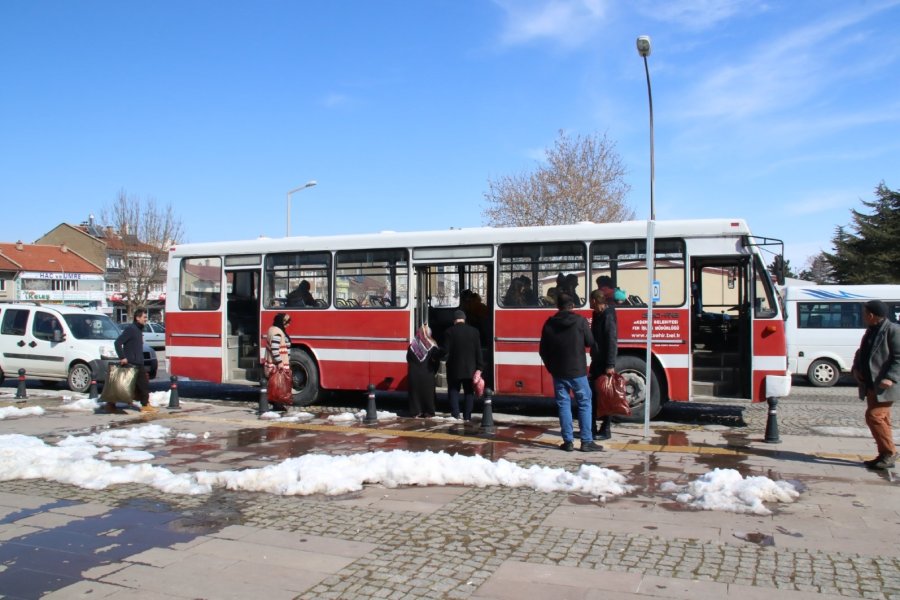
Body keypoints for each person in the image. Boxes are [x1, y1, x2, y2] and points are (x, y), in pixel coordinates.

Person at [539, 292, 602, 452]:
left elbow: (543, 350)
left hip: (558, 373)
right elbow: (590, 342)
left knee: (563, 405)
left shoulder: (549, 323)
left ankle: (568, 442)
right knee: (584, 403)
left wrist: (551, 368)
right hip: (578, 371)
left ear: (557, 306)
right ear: (572, 306)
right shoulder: (580, 321)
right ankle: (586, 441)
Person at [851, 300, 900, 470]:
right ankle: (884, 454)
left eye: (865, 313)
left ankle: (890, 453)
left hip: (885, 385)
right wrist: (856, 368)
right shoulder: (871, 330)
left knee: (874, 416)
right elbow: (861, 352)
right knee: (882, 419)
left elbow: (899, 357)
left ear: (871, 315)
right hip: (871, 384)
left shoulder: (893, 330)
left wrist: (891, 377)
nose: (863, 316)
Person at [445, 310, 485, 421]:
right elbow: (478, 351)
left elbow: (445, 351)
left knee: (453, 391)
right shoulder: (474, 332)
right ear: (464, 319)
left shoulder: (449, 331)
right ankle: (467, 416)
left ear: (454, 320)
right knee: (468, 392)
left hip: (454, 369)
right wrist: (480, 367)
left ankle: (455, 414)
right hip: (470, 369)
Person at [113, 308, 155, 414]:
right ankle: (145, 405)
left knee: (138, 385)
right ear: (137, 318)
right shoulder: (131, 329)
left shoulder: (138, 329)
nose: (146, 319)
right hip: (131, 362)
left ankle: (145, 404)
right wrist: (122, 357)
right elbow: (117, 343)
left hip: (138, 362)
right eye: (144, 317)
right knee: (127, 386)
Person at [589, 289, 618, 440]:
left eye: (590, 301)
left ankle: (605, 429)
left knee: (605, 396)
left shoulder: (607, 316)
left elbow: (611, 341)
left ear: (595, 301)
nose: (589, 305)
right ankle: (592, 428)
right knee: (593, 394)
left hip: (605, 363)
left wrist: (610, 364)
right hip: (597, 360)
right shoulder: (597, 314)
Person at [406, 324, 442, 418]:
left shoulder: (412, 346)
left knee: (415, 395)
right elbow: (436, 361)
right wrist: (434, 371)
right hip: (427, 374)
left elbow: (408, 359)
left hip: (414, 375)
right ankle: (428, 412)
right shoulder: (432, 346)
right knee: (428, 395)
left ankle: (416, 412)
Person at [265, 312, 294, 410]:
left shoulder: (273, 329)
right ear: (281, 322)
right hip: (277, 364)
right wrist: (280, 363)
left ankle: (277, 404)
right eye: (286, 322)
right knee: (279, 385)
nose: (288, 324)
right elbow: (275, 348)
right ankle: (277, 405)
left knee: (277, 385)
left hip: (275, 363)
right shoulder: (277, 332)